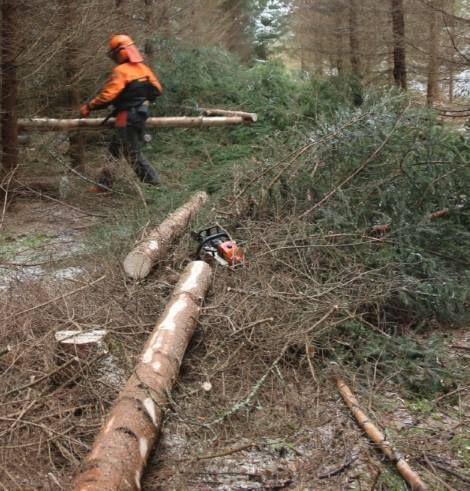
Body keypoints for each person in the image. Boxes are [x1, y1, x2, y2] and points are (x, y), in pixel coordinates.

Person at [80, 34, 163, 188]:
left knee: (132, 153)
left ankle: (155, 186)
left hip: (126, 117)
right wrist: (142, 99)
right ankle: (104, 185)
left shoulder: (121, 70)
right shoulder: (143, 68)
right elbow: (157, 90)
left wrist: (89, 106)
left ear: (121, 52)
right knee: (114, 151)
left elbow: (107, 96)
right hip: (140, 114)